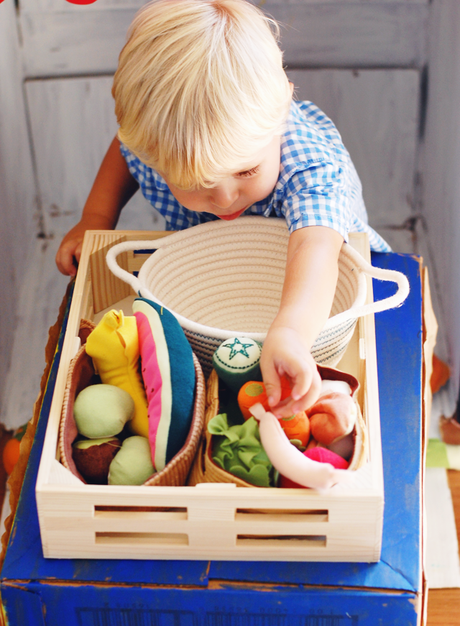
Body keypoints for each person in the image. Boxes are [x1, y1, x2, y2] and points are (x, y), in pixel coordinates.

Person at [55, 0, 390, 418]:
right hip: (223, 271)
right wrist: (96, 219)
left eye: (246, 171)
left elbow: (316, 252)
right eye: (196, 184)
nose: (225, 198)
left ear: (284, 108)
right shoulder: (164, 142)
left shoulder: (313, 167)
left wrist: (289, 333)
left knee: (385, 347)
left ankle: (431, 367)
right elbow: (124, 152)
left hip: (314, 281)